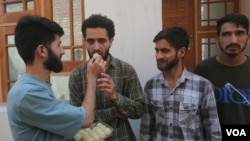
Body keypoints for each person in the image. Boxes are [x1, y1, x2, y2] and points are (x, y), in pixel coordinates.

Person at [7, 15, 105, 141]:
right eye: (58, 45)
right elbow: (86, 119)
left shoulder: (38, 86)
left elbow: (50, 131)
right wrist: (92, 77)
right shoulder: (28, 93)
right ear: (42, 50)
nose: (63, 51)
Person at [69, 14, 144, 141]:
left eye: (102, 40)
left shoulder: (126, 70)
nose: (96, 47)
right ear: (85, 41)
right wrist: (113, 112)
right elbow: (76, 119)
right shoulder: (76, 75)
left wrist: (115, 96)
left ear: (111, 41)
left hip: (122, 137)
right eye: (91, 41)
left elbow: (139, 111)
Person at [139, 26, 222, 140]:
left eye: (165, 50)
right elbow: (146, 129)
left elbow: (213, 131)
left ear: (181, 52)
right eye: (157, 50)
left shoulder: (203, 86)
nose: (158, 56)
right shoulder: (151, 85)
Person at [194, 13, 250, 125]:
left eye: (239, 33)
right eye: (226, 34)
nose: (233, 40)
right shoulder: (203, 70)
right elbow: (196, 112)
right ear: (217, 39)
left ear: (248, 38)